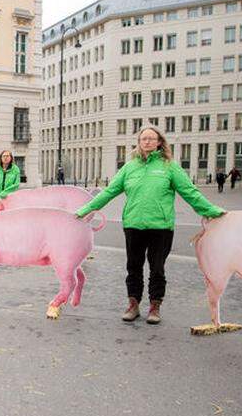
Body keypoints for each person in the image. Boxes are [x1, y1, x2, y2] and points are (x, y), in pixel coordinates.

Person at [76, 126, 224, 325]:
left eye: (151, 139)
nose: (147, 142)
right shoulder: (129, 168)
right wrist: (84, 210)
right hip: (133, 225)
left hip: (160, 227)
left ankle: (155, 306)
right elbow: (108, 192)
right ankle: (133, 304)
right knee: (133, 267)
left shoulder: (169, 166)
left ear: (159, 142)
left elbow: (190, 192)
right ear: (139, 142)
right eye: (143, 139)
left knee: (157, 269)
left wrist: (212, 211)